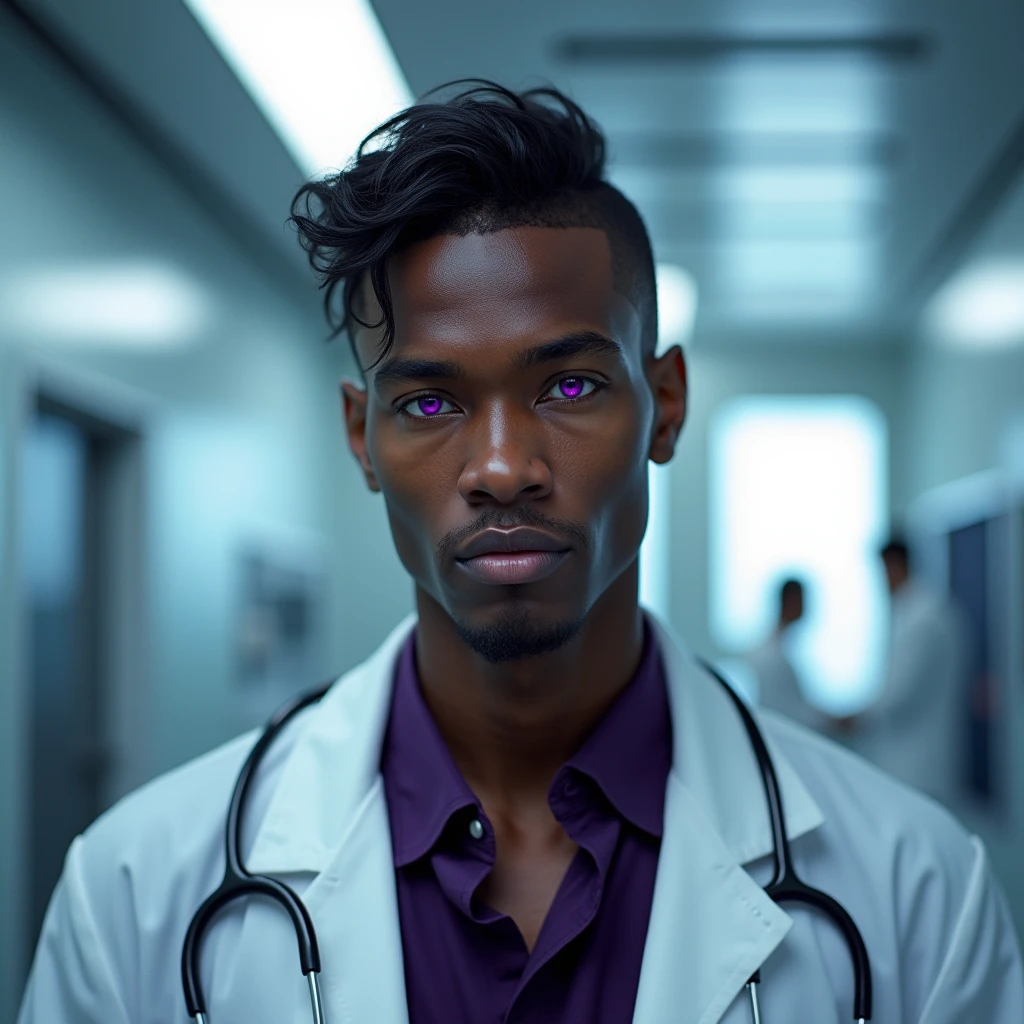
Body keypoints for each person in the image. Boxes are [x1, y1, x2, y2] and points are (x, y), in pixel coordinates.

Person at [18, 84, 1022, 1024]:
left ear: (663, 403)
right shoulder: (134, 893)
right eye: (428, 402)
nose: (501, 467)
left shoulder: (915, 893)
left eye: (571, 388)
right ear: (361, 436)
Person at [854, 538, 969, 807]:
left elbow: (896, 696)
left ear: (894, 565)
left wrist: (850, 720)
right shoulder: (925, 610)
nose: (880, 581)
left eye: (882, 571)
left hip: (917, 766)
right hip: (918, 762)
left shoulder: (923, 618)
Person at [745, 578, 821, 731]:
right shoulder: (770, 655)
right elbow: (789, 711)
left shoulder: (776, 648)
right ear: (790, 601)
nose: (806, 608)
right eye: (802, 600)